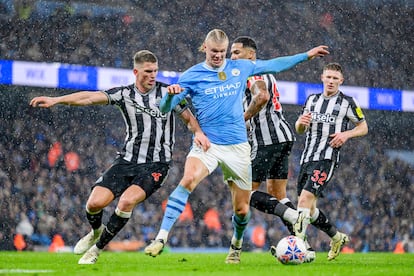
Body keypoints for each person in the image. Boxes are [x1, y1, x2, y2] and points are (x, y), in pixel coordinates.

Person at [144, 28, 329, 264]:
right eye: (214, 52)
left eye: (222, 52)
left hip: (238, 147)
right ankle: (161, 238)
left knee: (242, 210)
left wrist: (307, 55)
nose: (218, 56)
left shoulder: (240, 67)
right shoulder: (191, 75)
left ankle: (236, 246)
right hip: (208, 145)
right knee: (188, 180)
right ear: (205, 48)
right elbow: (164, 108)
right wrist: (171, 95)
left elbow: (276, 65)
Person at [29, 50, 210, 265]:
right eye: (147, 71)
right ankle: (95, 232)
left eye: (155, 71)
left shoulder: (168, 93)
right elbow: (89, 97)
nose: (152, 75)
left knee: (126, 202)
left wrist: (197, 132)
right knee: (94, 204)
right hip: (126, 160)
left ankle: (96, 250)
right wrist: (56, 100)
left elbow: (189, 119)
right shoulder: (124, 94)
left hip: (156, 164)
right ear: (136, 71)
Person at [230, 36, 316, 261]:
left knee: (245, 193)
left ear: (251, 55)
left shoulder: (252, 73)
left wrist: (243, 118)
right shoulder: (265, 73)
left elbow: (262, 96)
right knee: (278, 195)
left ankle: (292, 215)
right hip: (283, 137)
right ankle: (304, 246)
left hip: (266, 140)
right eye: (232, 53)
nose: (232, 57)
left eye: (237, 52)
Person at [293, 62, 368, 261]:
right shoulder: (311, 100)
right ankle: (337, 237)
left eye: (335, 78)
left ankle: (300, 248)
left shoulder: (347, 102)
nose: (331, 81)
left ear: (341, 81)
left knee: (303, 201)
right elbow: (300, 129)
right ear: (322, 78)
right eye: (328, 77)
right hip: (307, 157)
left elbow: (363, 127)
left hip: (327, 158)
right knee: (308, 209)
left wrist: (346, 135)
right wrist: (300, 123)